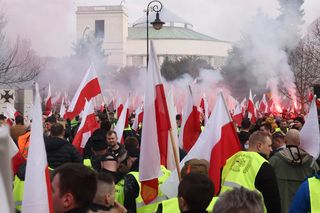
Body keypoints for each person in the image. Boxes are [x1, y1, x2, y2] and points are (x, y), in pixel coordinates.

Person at [220, 131, 281, 213]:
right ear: (259, 146)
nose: (271, 149)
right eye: (269, 146)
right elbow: (272, 201)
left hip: (224, 208)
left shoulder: (231, 159)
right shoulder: (264, 165)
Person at [269, 129, 319, 213]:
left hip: (281, 207)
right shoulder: (311, 162)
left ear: (285, 141)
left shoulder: (274, 160)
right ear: (299, 142)